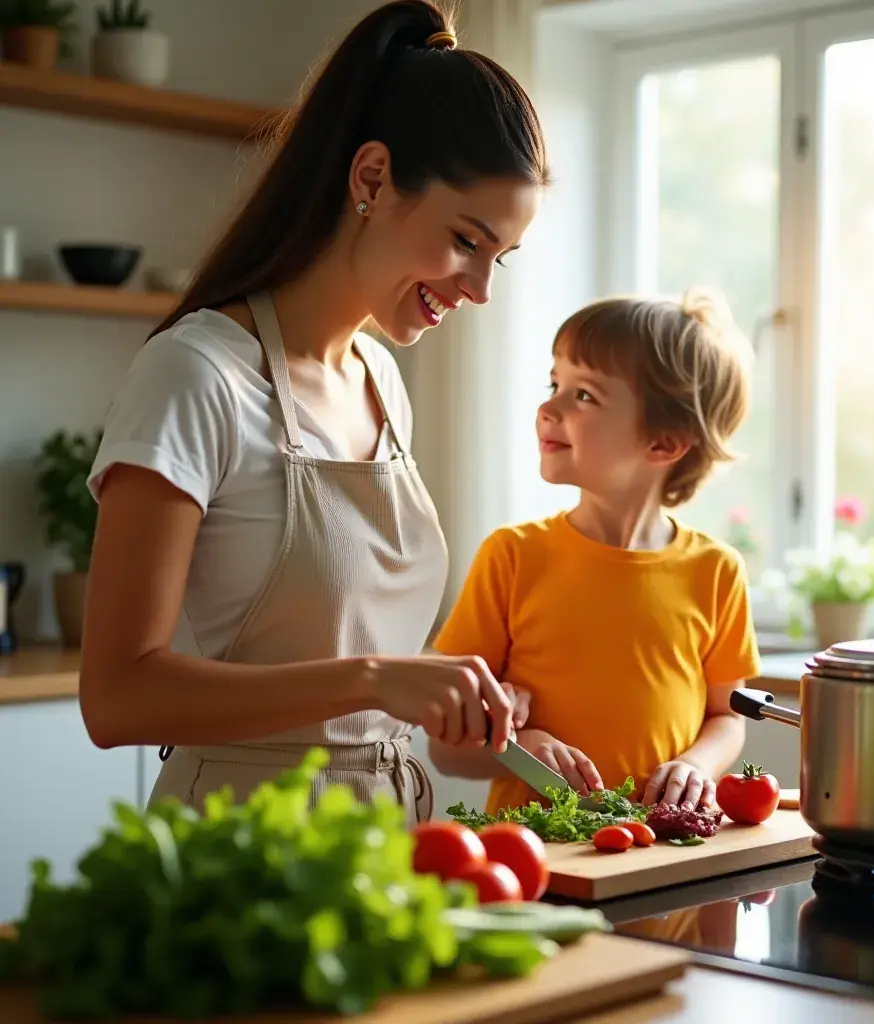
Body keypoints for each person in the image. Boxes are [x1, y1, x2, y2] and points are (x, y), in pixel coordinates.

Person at [78, 0, 548, 822]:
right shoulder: (196, 375)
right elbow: (117, 697)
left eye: (500, 257)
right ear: (371, 179)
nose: (480, 289)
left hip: (387, 840)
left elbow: (357, 659)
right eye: (467, 240)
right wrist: (374, 680)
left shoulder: (379, 379)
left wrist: (476, 716)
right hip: (237, 853)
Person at [429, 288, 761, 814]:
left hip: (659, 855)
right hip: (533, 863)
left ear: (665, 443)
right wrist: (519, 749)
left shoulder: (716, 571)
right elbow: (447, 751)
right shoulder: (511, 557)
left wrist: (698, 765)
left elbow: (727, 717)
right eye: (555, 383)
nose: (547, 407)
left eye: (584, 395)